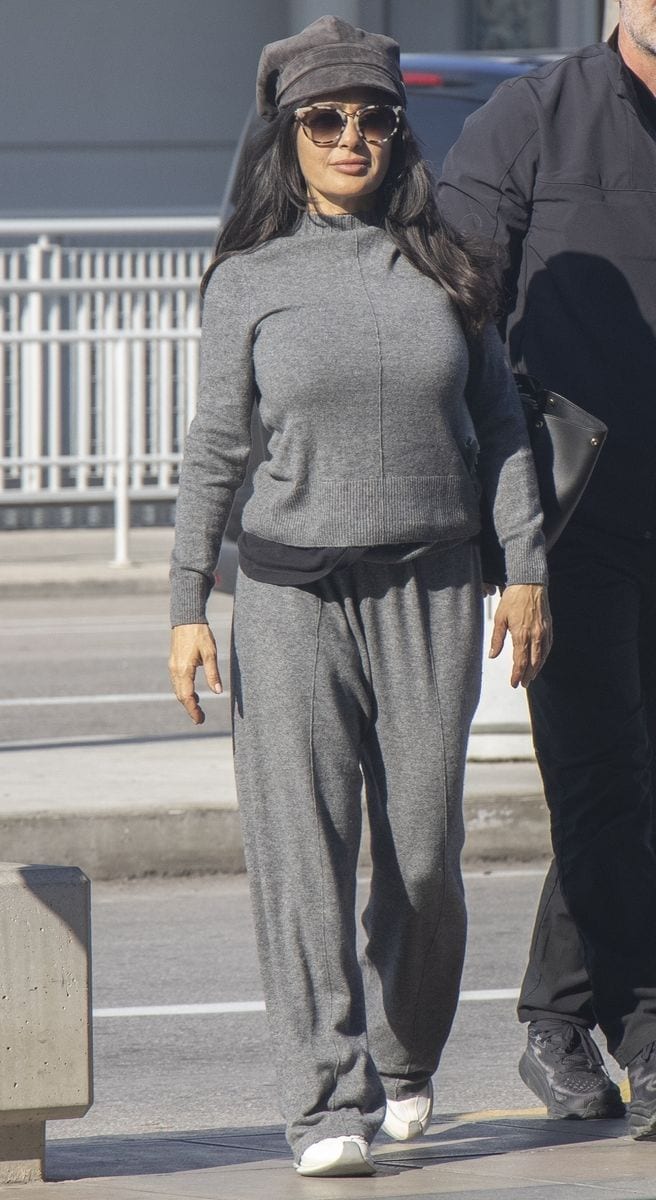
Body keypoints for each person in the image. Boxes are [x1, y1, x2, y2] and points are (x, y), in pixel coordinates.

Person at [168, 15, 551, 1178]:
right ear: (284, 136)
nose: (350, 137)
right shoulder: (246, 280)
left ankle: (401, 1057)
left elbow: (499, 430)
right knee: (301, 856)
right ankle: (320, 1104)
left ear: (398, 133)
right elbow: (214, 450)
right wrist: (188, 598)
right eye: (323, 119)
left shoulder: (445, 269)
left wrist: (524, 568)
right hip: (287, 597)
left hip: (429, 590)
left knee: (424, 857)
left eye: (371, 116)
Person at [438, 0, 656, 1141]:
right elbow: (452, 303)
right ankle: (644, 1029)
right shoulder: (531, 116)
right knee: (603, 772)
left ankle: (556, 1017)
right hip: (575, 525)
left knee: (628, 785)